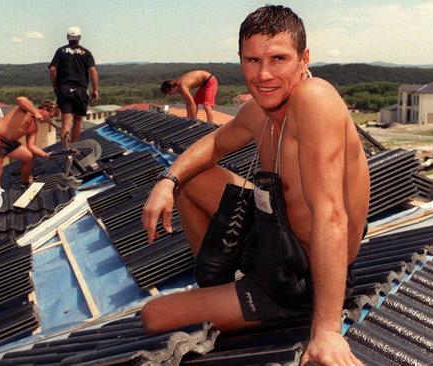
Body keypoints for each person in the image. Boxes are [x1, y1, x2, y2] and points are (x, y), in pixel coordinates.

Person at [141, 5, 369, 366]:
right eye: (252, 60)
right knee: (192, 178)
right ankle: (218, 291)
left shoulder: (315, 99)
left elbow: (330, 212)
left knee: (153, 315)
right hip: (275, 243)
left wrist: (326, 331)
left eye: (278, 58)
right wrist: (166, 181)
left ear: (303, 58)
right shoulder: (258, 110)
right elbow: (214, 144)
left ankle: (251, 305)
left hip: (305, 277)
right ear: (240, 60)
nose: (263, 74)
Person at [0, 97, 58, 187]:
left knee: (28, 157)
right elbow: (20, 99)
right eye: (50, 116)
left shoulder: (34, 127)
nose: (49, 120)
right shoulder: (27, 109)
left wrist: (46, 155)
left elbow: (31, 147)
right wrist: (35, 113)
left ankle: (25, 182)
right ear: (45, 110)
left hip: (10, 143)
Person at [49, 26, 99, 146]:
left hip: (64, 89)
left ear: (67, 37)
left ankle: (65, 148)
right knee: (77, 120)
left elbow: (52, 69)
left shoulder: (60, 51)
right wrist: (95, 90)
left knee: (66, 123)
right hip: (80, 89)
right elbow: (92, 70)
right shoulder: (86, 53)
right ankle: (74, 146)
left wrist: (55, 84)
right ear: (79, 38)